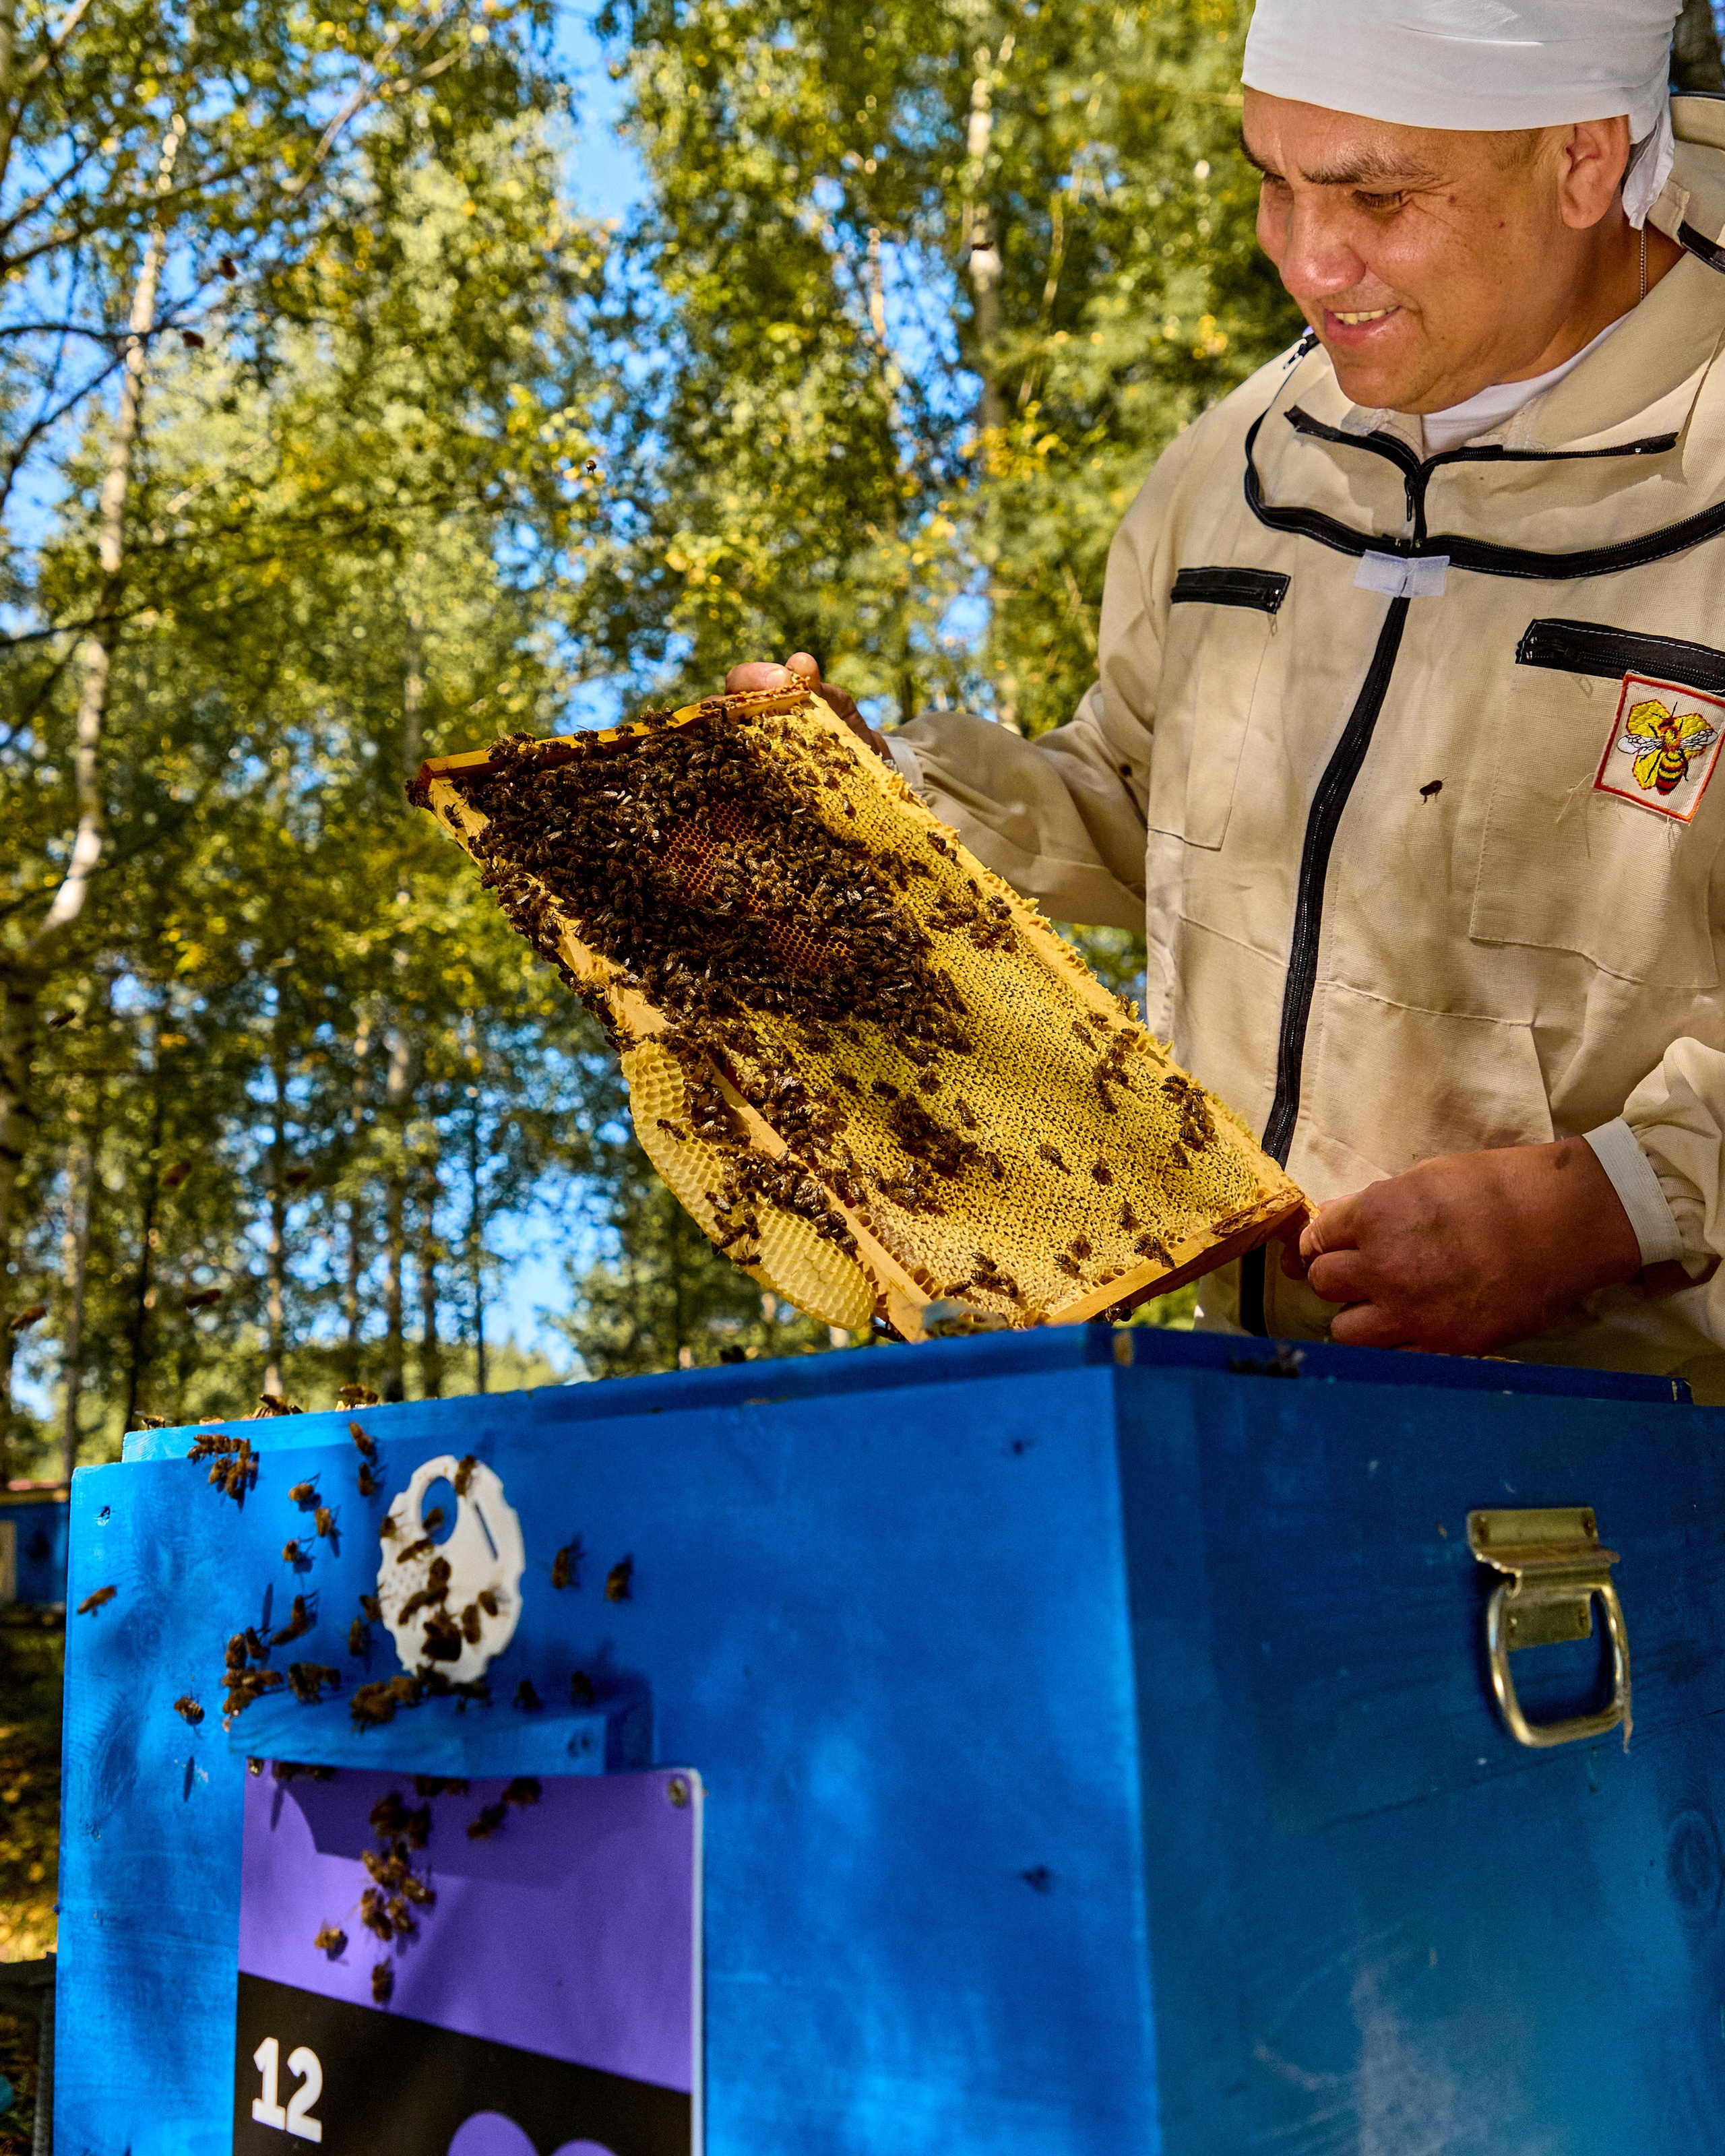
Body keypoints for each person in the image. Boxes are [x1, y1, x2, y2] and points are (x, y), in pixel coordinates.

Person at [730, 0, 1725, 1399]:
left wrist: (1612, 1201)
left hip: (1659, 1476)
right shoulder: (1231, 474)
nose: (1306, 259)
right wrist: (883, 808)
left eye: (1374, 194)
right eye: (1272, 177)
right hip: (1234, 1412)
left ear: (1577, 158)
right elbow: (1148, 801)